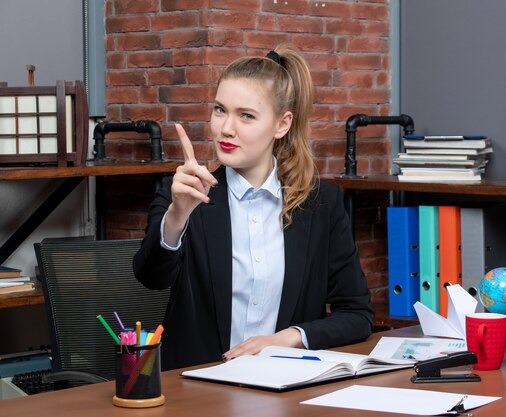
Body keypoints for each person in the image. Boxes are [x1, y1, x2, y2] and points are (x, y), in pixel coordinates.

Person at [133, 44, 373, 371]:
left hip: (284, 386)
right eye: (220, 110)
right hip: (197, 391)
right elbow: (150, 277)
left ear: (281, 124)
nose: (226, 128)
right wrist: (178, 215)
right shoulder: (182, 193)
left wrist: (286, 338)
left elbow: (357, 316)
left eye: (246, 115)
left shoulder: (322, 204)